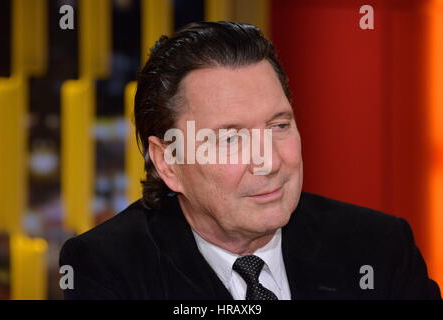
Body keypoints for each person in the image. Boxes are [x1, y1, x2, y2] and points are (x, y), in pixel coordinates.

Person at [59, 21, 441, 300]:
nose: (269, 162)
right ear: (169, 162)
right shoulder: (109, 269)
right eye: (230, 138)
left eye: (278, 126)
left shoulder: (378, 248)